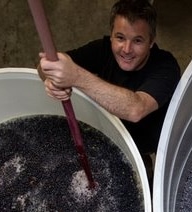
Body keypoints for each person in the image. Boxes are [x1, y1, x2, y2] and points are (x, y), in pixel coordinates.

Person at [37, 0, 181, 179]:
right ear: (111, 36)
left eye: (137, 40)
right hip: (110, 135)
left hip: (148, 143)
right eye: (120, 38)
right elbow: (47, 66)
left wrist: (76, 77)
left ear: (151, 42)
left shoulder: (166, 67)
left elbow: (136, 109)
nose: (127, 49)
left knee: (149, 177)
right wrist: (52, 78)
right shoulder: (103, 49)